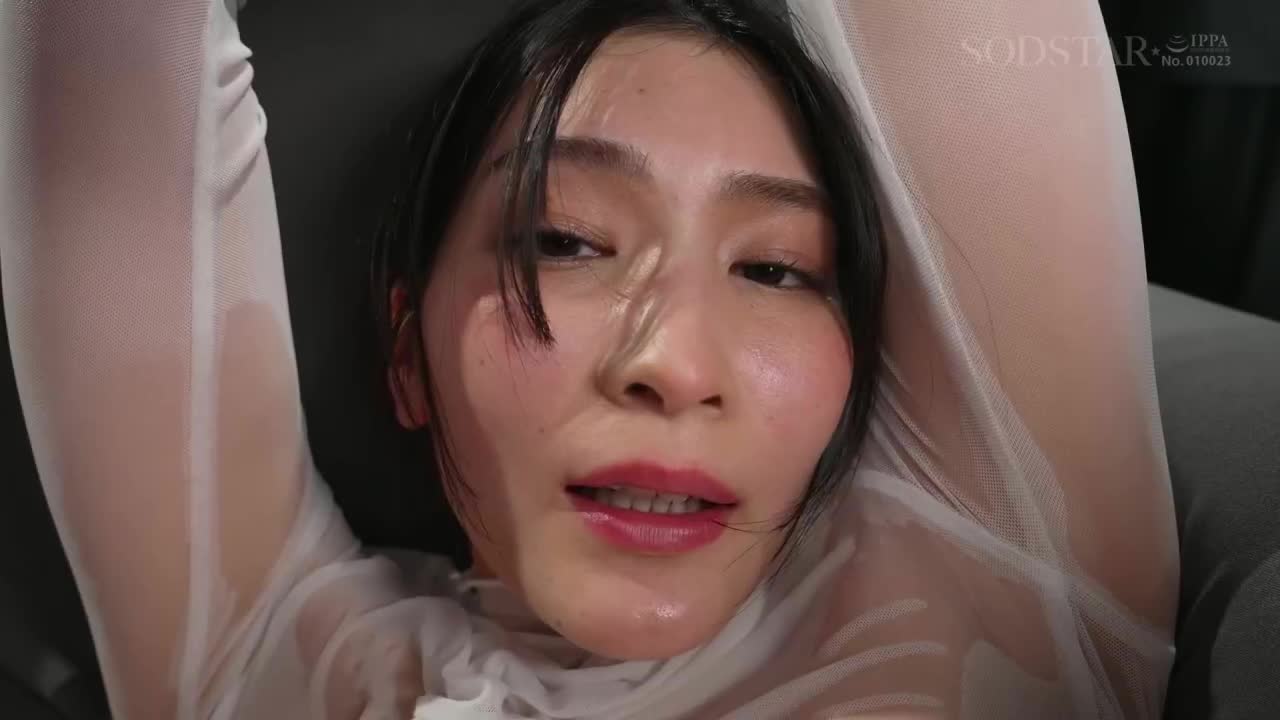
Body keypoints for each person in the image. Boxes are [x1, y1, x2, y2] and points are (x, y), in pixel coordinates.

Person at [1, 0, 1179, 718]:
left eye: (776, 269)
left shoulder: (995, 613)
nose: (671, 362)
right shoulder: (268, 657)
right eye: (562, 242)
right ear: (406, 355)